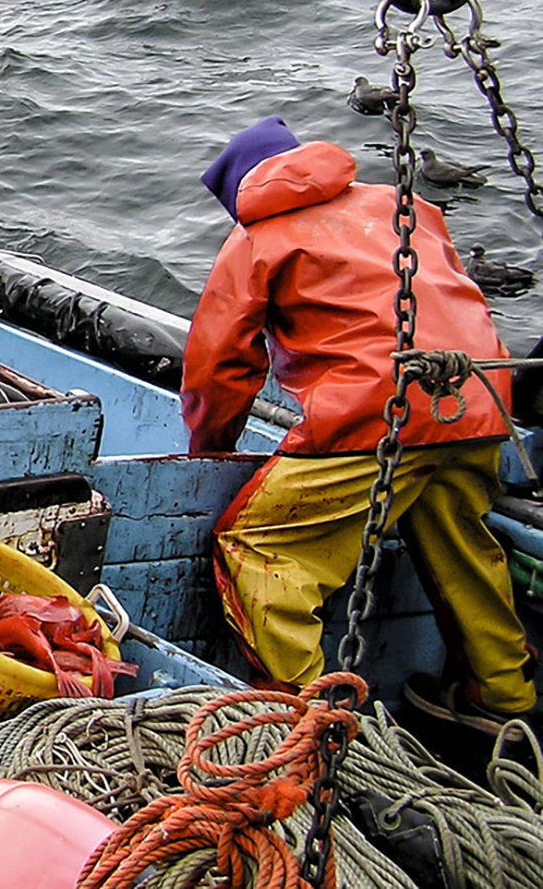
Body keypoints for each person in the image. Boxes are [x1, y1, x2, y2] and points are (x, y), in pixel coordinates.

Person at [183, 115, 535, 736]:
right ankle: (504, 701)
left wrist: (210, 451)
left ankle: (307, 719)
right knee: (461, 544)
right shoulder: (405, 206)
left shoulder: (257, 238)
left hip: (375, 414)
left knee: (256, 548)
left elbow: (220, 364)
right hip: (477, 401)